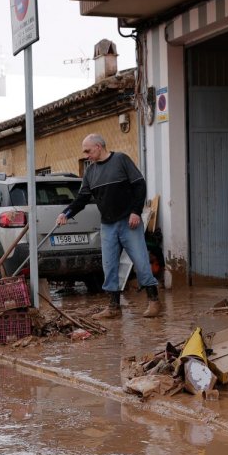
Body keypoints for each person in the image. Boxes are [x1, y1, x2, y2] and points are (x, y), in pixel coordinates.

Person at [57, 134, 161, 318]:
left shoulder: (121, 160)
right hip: (108, 224)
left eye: (88, 151)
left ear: (98, 146)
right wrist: (66, 213)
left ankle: (154, 302)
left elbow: (139, 185)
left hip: (129, 221)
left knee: (141, 261)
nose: (86, 155)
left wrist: (136, 211)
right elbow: (82, 199)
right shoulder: (90, 172)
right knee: (109, 265)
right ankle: (113, 307)